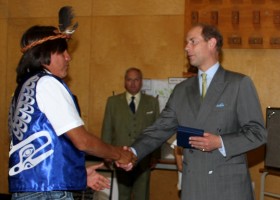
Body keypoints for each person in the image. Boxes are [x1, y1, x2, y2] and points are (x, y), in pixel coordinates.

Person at [118, 23, 267, 200]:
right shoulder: (182, 90)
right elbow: (159, 129)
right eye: (186, 42)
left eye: (192, 41)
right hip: (193, 186)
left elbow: (258, 133)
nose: (186, 47)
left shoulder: (238, 84)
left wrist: (220, 142)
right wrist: (133, 152)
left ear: (211, 43)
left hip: (229, 187)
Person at [8, 10, 136, 200]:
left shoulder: (23, 88)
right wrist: (118, 154)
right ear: (45, 56)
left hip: (31, 191)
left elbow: (45, 146)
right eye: (62, 52)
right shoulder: (48, 83)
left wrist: (77, 176)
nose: (69, 57)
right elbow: (82, 141)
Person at [101, 67, 160, 200]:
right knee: (123, 195)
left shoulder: (152, 102)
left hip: (144, 159)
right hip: (120, 158)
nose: (133, 83)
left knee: (142, 195)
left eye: (136, 80)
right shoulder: (113, 102)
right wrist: (106, 154)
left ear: (141, 82)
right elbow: (107, 129)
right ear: (124, 82)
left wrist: (155, 156)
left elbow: (157, 132)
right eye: (129, 80)